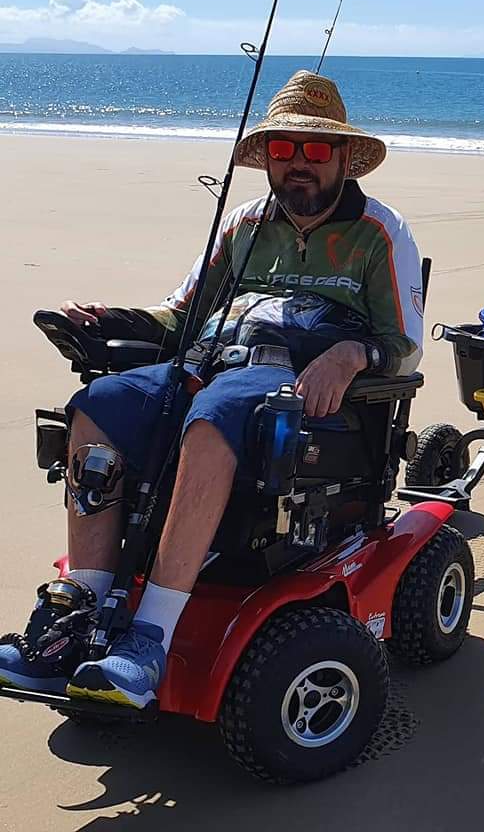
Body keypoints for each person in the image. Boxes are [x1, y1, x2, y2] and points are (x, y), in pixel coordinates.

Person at [0, 71, 424, 709]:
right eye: (284, 150)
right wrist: (113, 320)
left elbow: (405, 342)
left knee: (214, 412)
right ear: (269, 161)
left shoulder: (378, 231)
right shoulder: (246, 222)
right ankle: (79, 611)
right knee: (99, 406)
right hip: (212, 362)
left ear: (341, 156)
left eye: (314, 150)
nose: (298, 164)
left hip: (295, 388)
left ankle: (147, 642)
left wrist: (352, 351)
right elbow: (182, 315)